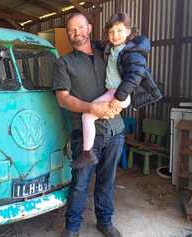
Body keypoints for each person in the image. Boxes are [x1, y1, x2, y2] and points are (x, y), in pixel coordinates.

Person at [52, 13, 125, 237]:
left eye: (81, 28)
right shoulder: (63, 63)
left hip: (115, 130)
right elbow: (63, 98)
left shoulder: (108, 53)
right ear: (68, 34)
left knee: (107, 181)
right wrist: (90, 109)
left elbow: (128, 72)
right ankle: (72, 228)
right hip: (85, 135)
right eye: (72, 30)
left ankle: (105, 221)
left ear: (90, 28)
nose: (77, 33)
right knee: (80, 183)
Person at [72, 12, 162, 169]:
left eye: (120, 31)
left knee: (87, 116)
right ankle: (89, 152)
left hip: (119, 93)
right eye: (111, 32)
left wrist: (119, 97)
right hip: (113, 93)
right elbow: (99, 45)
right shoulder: (112, 48)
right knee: (90, 117)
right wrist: (83, 37)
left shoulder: (132, 52)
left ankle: (87, 153)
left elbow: (134, 75)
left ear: (128, 31)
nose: (115, 35)